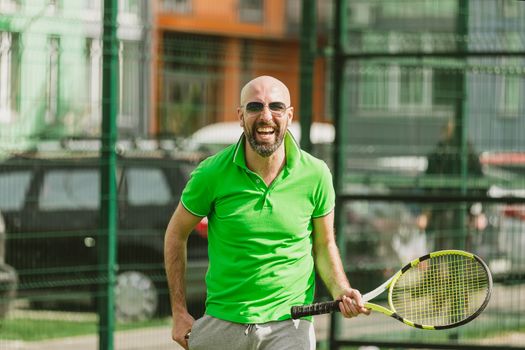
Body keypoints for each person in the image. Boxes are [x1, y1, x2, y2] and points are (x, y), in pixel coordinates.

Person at [164, 75, 369, 350]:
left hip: (289, 325)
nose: (266, 116)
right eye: (254, 107)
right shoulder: (211, 173)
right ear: (240, 115)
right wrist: (179, 312)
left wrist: (341, 289)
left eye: (276, 106)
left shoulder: (316, 174)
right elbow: (176, 234)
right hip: (222, 323)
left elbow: (324, 244)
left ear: (289, 114)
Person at [417, 118, 488, 251]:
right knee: (442, 254)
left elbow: (481, 185)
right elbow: (429, 187)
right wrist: (425, 214)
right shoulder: (438, 155)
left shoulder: (470, 155)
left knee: (464, 256)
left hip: (465, 214)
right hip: (443, 214)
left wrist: (480, 213)